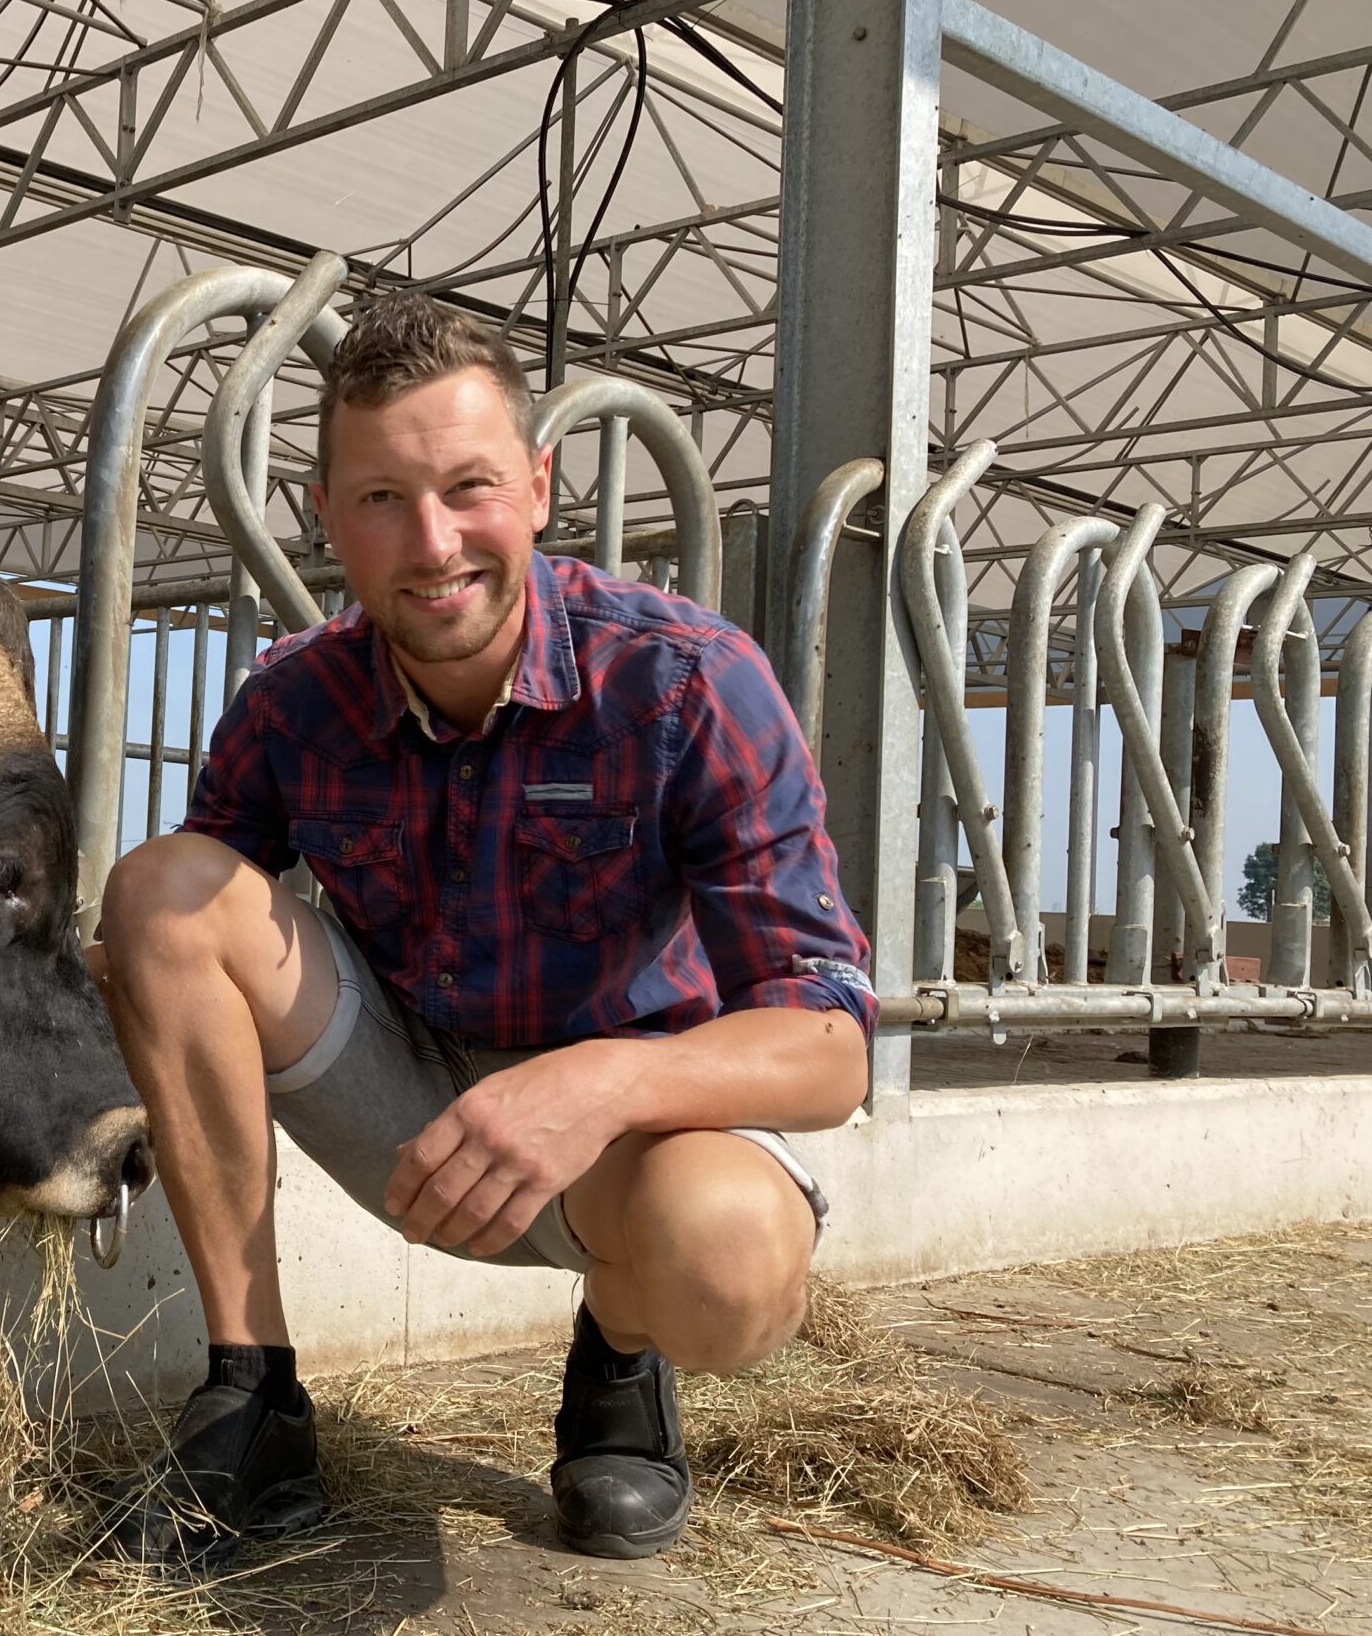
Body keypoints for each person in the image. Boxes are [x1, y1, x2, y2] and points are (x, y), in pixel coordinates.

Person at [90, 292, 875, 1569]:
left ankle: (618, 1352)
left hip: (617, 1137)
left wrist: (603, 1081)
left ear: (540, 485)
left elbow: (830, 1043)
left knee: (728, 1271)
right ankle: (253, 1393)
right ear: (329, 515)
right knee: (158, 886)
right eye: (383, 500)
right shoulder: (294, 701)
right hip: (402, 1095)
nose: (433, 541)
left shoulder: (685, 681)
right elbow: (185, 946)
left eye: (469, 486)